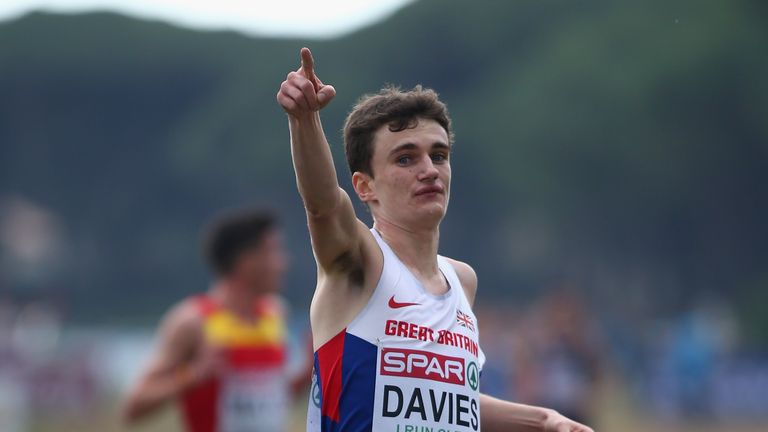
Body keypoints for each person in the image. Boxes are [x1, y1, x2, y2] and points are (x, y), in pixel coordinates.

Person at [276, 47, 594, 432]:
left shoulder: (462, 280)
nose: (429, 170)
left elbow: (454, 396)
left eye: (439, 155)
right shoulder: (360, 261)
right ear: (364, 186)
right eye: (405, 159)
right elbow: (323, 205)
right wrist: (304, 120)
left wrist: (544, 419)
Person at [122, 210, 308, 432]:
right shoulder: (192, 321)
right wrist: (192, 375)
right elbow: (133, 406)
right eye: (274, 252)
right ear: (246, 261)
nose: (283, 263)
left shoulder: (275, 313)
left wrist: (308, 371)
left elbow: (275, 401)